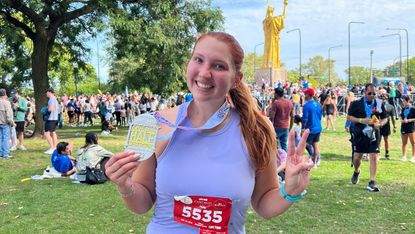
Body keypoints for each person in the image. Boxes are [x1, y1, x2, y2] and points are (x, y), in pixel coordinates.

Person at [105, 32, 313, 233]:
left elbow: (264, 202)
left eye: (219, 66)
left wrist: (290, 191)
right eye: (199, 60)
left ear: (236, 79)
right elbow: (141, 203)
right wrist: (124, 184)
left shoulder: (256, 129)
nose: (204, 73)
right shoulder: (158, 124)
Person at [347, 83, 388, 192]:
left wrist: (380, 124)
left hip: (374, 133)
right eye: (370, 93)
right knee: (356, 158)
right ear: (364, 92)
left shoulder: (379, 103)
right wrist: (361, 120)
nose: (372, 95)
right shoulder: (356, 103)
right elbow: (349, 117)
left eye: (374, 93)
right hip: (360, 133)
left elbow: (385, 118)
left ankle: (372, 182)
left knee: (374, 156)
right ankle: (356, 171)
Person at [302, 88, 323, 167]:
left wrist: (303, 129)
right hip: (318, 127)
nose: (304, 95)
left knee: (303, 145)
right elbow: (320, 116)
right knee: (315, 145)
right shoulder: (318, 104)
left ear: (308, 95)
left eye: (305, 94)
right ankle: (315, 163)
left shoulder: (306, 106)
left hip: (310, 129)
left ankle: (300, 161)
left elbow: (304, 119)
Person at [269, 87, 293, 152]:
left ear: (276, 94)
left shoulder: (276, 103)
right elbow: (292, 116)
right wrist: (290, 127)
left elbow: (271, 117)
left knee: (275, 145)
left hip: (277, 127)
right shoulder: (289, 103)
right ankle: (285, 160)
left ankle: (277, 160)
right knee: (284, 145)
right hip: (286, 127)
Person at [379, 94, 396, 160]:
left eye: (384, 98)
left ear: (387, 99)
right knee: (378, 140)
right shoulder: (378, 106)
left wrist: (394, 126)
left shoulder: (390, 107)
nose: (383, 100)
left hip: (386, 125)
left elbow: (393, 117)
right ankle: (378, 153)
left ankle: (387, 153)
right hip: (379, 124)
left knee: (386, 140)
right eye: (382, 98)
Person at [399, 96, 415, 163]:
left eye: (404, 101)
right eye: (402, 101)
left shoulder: (413, 108)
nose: (403, 102)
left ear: (408, 101)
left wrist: (409, 120)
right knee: (404, 143)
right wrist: (402, 120)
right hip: (404, 127)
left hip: (411, 127)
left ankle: (413, 157)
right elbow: (401, 117)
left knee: (413, 143)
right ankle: (404, 157)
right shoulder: (403, 109)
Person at [0, 89, 15, 159]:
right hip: (5, 123)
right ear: (5, 94)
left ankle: (0, 153)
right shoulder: (6, 103)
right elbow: (9, 115)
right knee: (6, 138)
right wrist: (12, 123)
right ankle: (5, 154)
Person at [44, 89, 59, 154]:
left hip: (51, 118)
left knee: (46, 133)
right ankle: (54, 147)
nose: (46, 94)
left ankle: (52, 148)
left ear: (50, 92)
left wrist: (46, 109)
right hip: (54, 118)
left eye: (46, 92)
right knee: (53, 132)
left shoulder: (52, 99)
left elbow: (51, 109)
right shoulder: (54, 99)